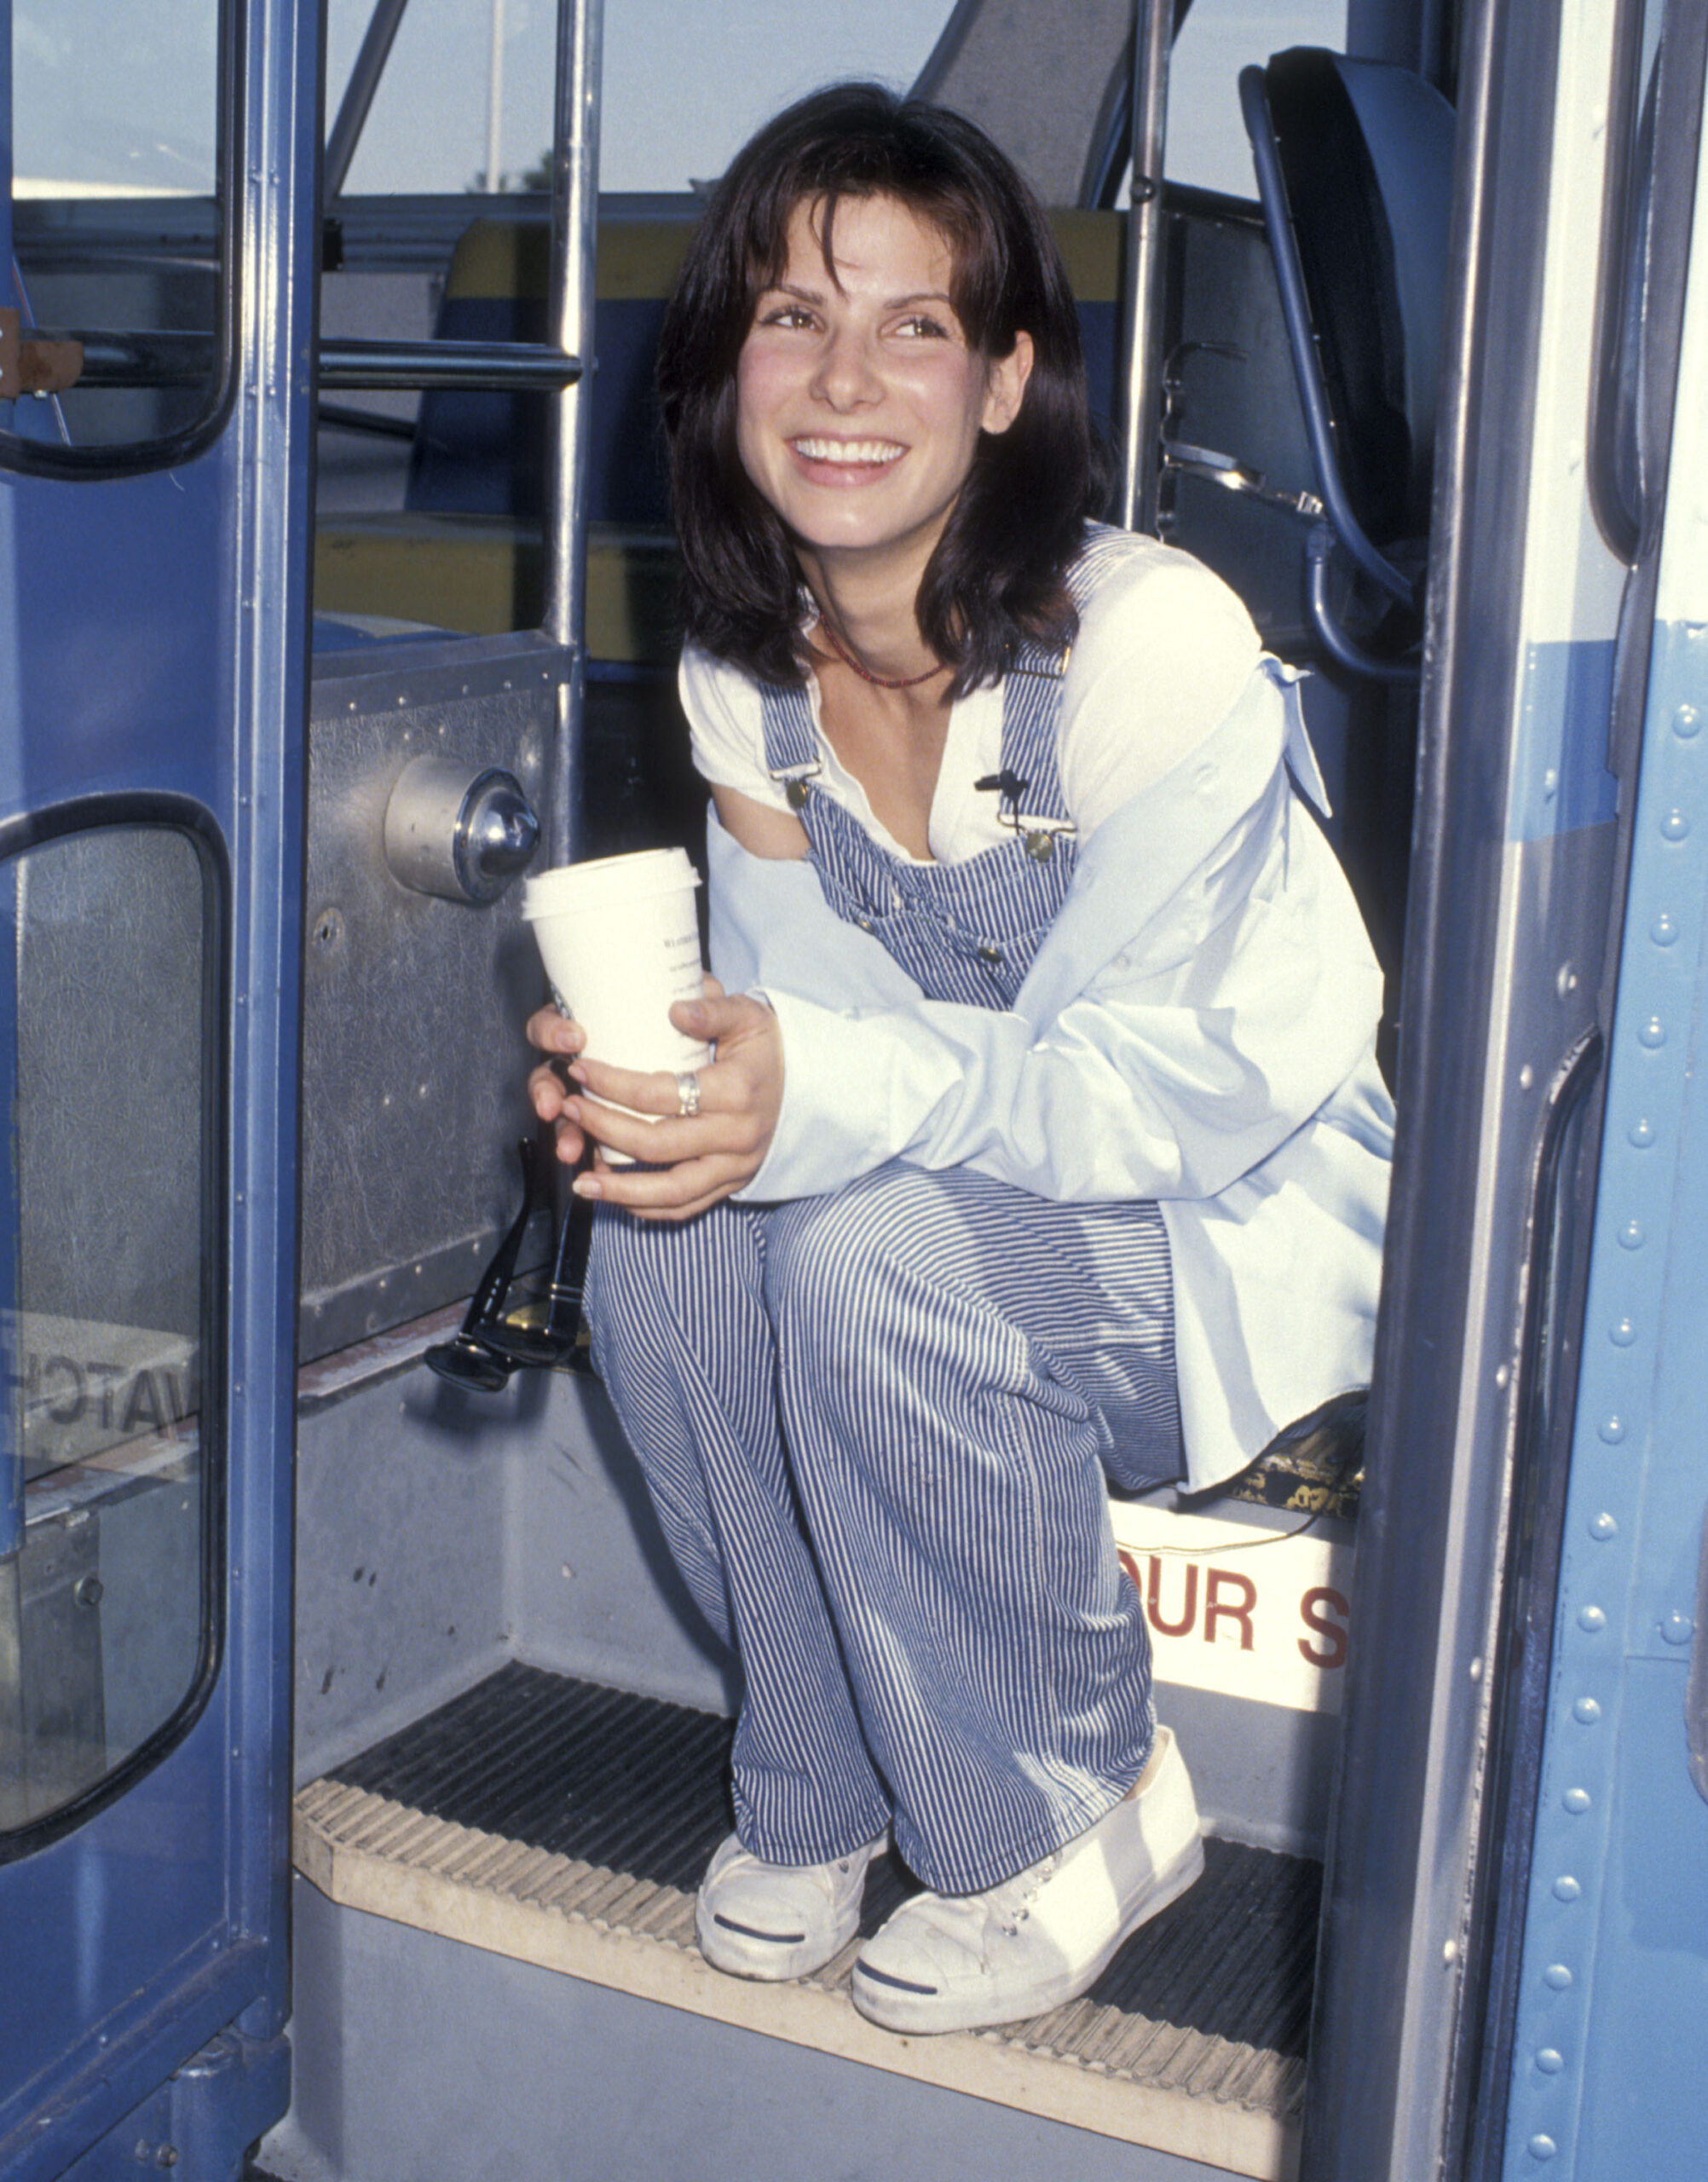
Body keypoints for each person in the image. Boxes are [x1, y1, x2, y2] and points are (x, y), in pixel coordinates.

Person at [527, 82, 1393, 2037]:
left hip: (1213, 1233)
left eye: (911, 324)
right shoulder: (748, 676)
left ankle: (1064, 1800)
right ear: (727, 362)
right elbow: (797, 1042)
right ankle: (815, 1772)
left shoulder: (1148, 649)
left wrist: (812, 1097)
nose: (841, 380)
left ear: (1007, 379)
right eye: (787, 316)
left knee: (870, 1245)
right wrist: (674, 1093)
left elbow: (1137, 1100)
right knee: (666, 1232)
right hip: (949, 1189)